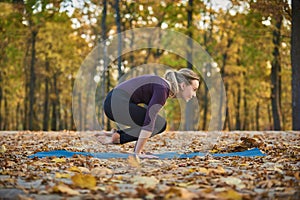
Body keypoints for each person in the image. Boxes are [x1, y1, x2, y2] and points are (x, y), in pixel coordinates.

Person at [99, 68, 200, 158]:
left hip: (113, 102)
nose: (194, 95)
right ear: (183, 85)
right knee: (159, 124)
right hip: (116, 104)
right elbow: (149, 123)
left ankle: (117, 136)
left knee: (159, 123)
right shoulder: (162, 89)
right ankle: (118, 138)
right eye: (194, 89)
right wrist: (137, 153)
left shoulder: (161, 85)